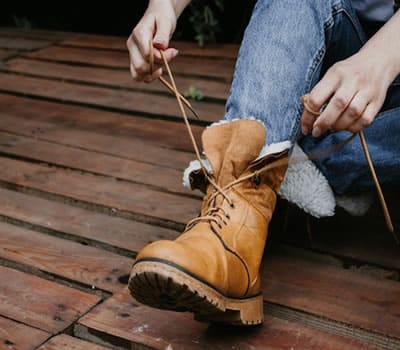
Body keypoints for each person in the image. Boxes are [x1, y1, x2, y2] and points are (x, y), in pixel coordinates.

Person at [127, 0, 400, 325]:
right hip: (332, 54)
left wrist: (384, 57)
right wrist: (164, 7)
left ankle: (281, 160)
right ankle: (235, 227)